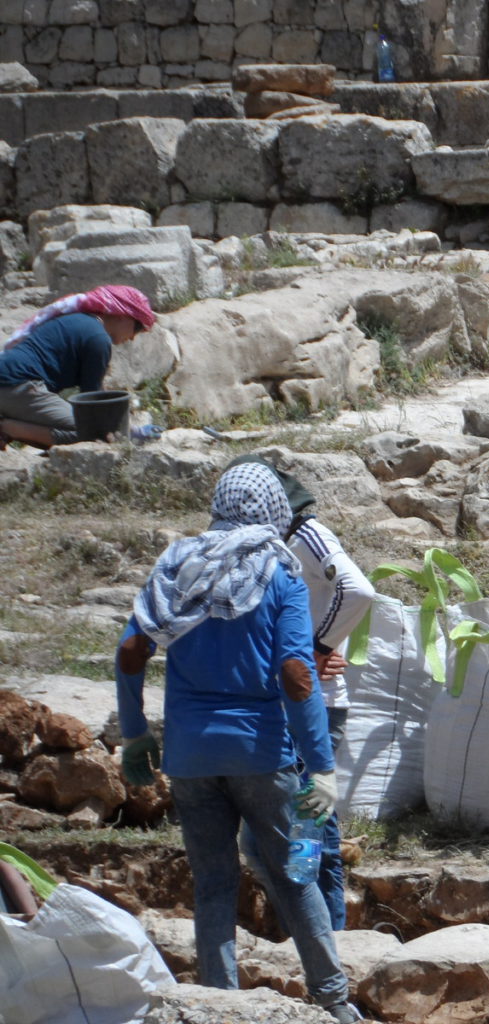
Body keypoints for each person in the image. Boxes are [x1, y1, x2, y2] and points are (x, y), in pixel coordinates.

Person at [115, 462, 365, 1024]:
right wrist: (321, 766)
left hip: (189, 756)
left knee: (213, 881)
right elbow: (298, 675)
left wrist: (135, 735)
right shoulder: (281, 570)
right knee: (295, 872)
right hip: (261, 753)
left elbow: (132, 650)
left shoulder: (179, 562)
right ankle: (333, 999)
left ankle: (220, 1004)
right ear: (275, 509)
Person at [227, 453, 376, 933]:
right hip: (286, 706)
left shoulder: (305, 535)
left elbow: (357, 590)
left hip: (316, 708)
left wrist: (316, 647)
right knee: (282, 836)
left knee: (307, 835)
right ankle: (313, 935)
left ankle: (326, 936)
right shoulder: (264, 546)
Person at [0, 286, 156, 448]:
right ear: (122, 316)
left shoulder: (78, 321)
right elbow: (92, 403)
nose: (131, 338)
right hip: (18, 385)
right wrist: (127, 433)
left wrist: (129, 429)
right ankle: (6, 428)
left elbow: (95, 394)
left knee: (68, 432)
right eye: (136, 329)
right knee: (92, 433)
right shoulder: (98, 339)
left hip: (10, 380)